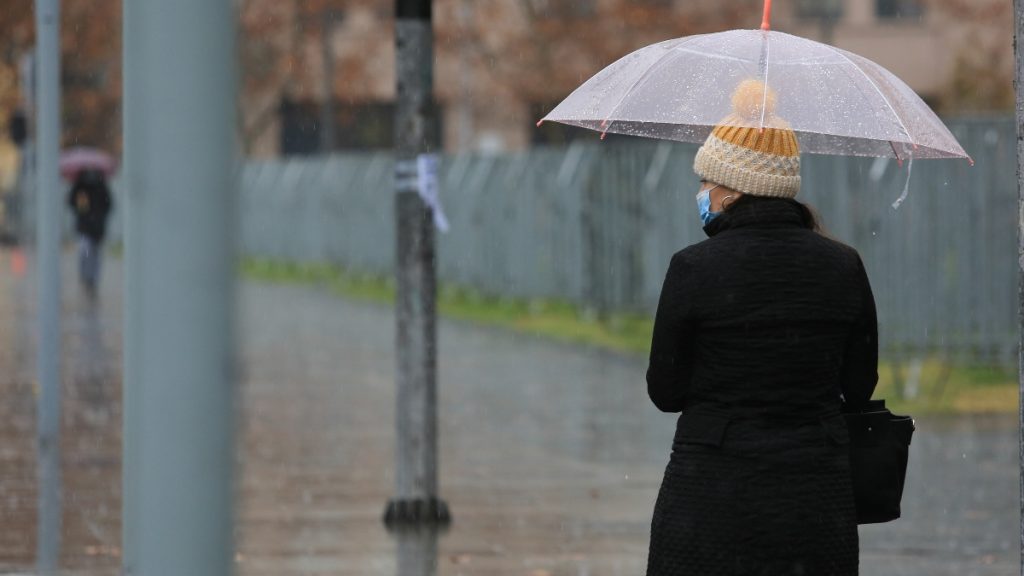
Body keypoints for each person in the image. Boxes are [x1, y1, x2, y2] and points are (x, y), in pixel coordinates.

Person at [645, 80, 878, 576]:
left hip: (711, 493)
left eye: (706, 181)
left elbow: (665, 391)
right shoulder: (843, 265)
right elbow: (859, 386)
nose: (701, 193)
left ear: (733, 189)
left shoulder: (694, 267)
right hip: (815, 498)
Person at [67, 169, 113, 297]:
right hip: (86, 228)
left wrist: (98, 214)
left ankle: (92, 278)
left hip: (95, 228)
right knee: (86, 252)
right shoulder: (81, 187)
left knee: (94, 254)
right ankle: (87, 277)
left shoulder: (100, 186)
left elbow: (108, 205)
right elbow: (72, 203)